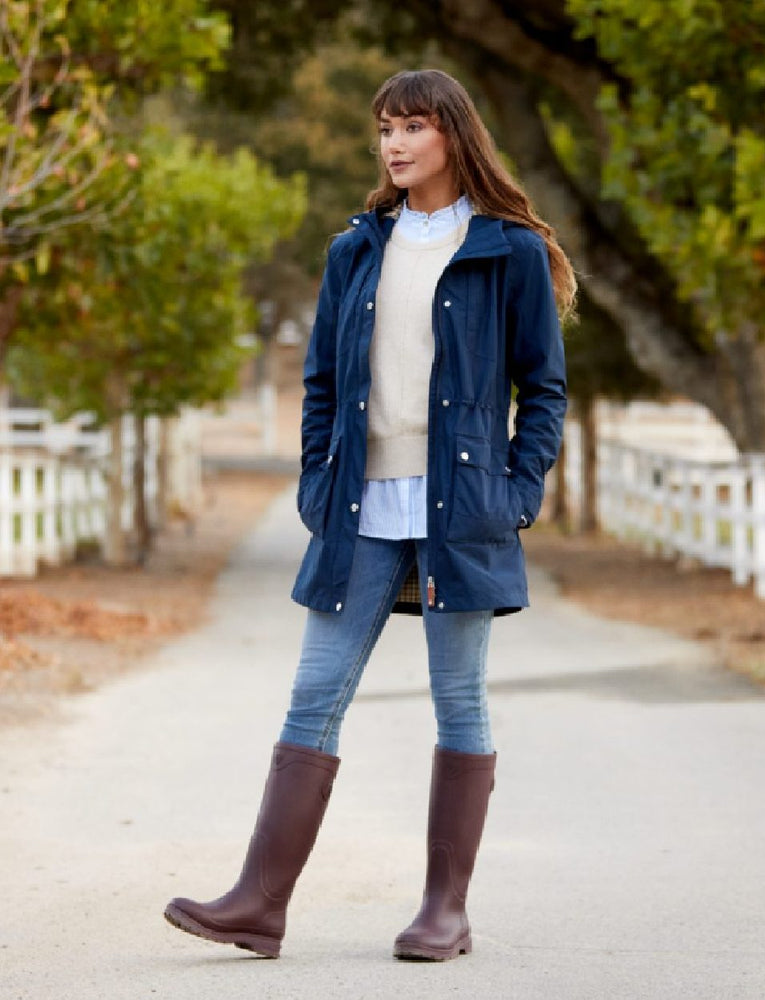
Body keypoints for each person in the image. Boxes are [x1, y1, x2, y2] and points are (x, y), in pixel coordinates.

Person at [164, 68, 573, 962]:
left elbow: (543, 390)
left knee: (457, 697)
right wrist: (315, 484)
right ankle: (257, 904)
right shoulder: (356, 248)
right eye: (384, 128)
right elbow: (319, 382)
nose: (392, 144)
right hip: (358, 508)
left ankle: (445, 911)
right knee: (315, 690)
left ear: (451, 136)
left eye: (412, 127)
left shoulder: (506, 250)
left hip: (460, 508)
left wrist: (514, 492)